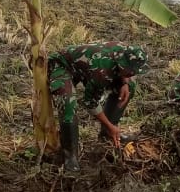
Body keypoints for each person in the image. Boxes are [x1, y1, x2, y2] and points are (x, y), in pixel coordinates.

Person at [48, 42, 148, 172]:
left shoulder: (129, 51)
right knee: (68, 103)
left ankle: (108, 135)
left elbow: (129, 72)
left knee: (130, 87)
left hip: (86, 67)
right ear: (121, 64)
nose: (132, 73)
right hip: (61, 65)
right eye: (129, 72)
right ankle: (70, 155)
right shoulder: (101, 70)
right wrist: (109, 125)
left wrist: (125, 82)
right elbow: (90, 102)